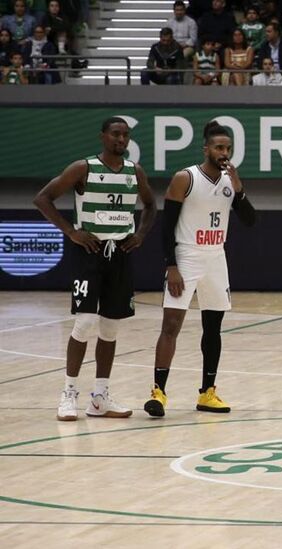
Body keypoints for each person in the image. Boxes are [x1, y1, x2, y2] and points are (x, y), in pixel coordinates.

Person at [33, 117, 157, 421]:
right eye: (116, 134)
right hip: (88, 252)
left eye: (125, 135)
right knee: (85, 321)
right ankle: (68, 393)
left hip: (119, 255)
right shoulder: (83, 168)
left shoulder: (134, 172)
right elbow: (43, 199)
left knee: (111, 327)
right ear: (103, 136)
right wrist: (71, 232)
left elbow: (151, 205)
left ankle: (100, 397)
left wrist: (139, 235)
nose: (121, 139)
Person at [145, 121, 257, 418]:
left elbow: (250, 220)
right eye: (219, 147)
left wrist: (239, 189)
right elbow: (166, 227)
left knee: (213, 328)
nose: (224, 153)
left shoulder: (229, 181)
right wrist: (171, 265)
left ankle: (207, 392)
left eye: (228, 148)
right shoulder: (186, 178)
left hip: (216, 257)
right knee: (171, 325)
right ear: (206, 148)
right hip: (187, 256)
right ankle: (158, 391)